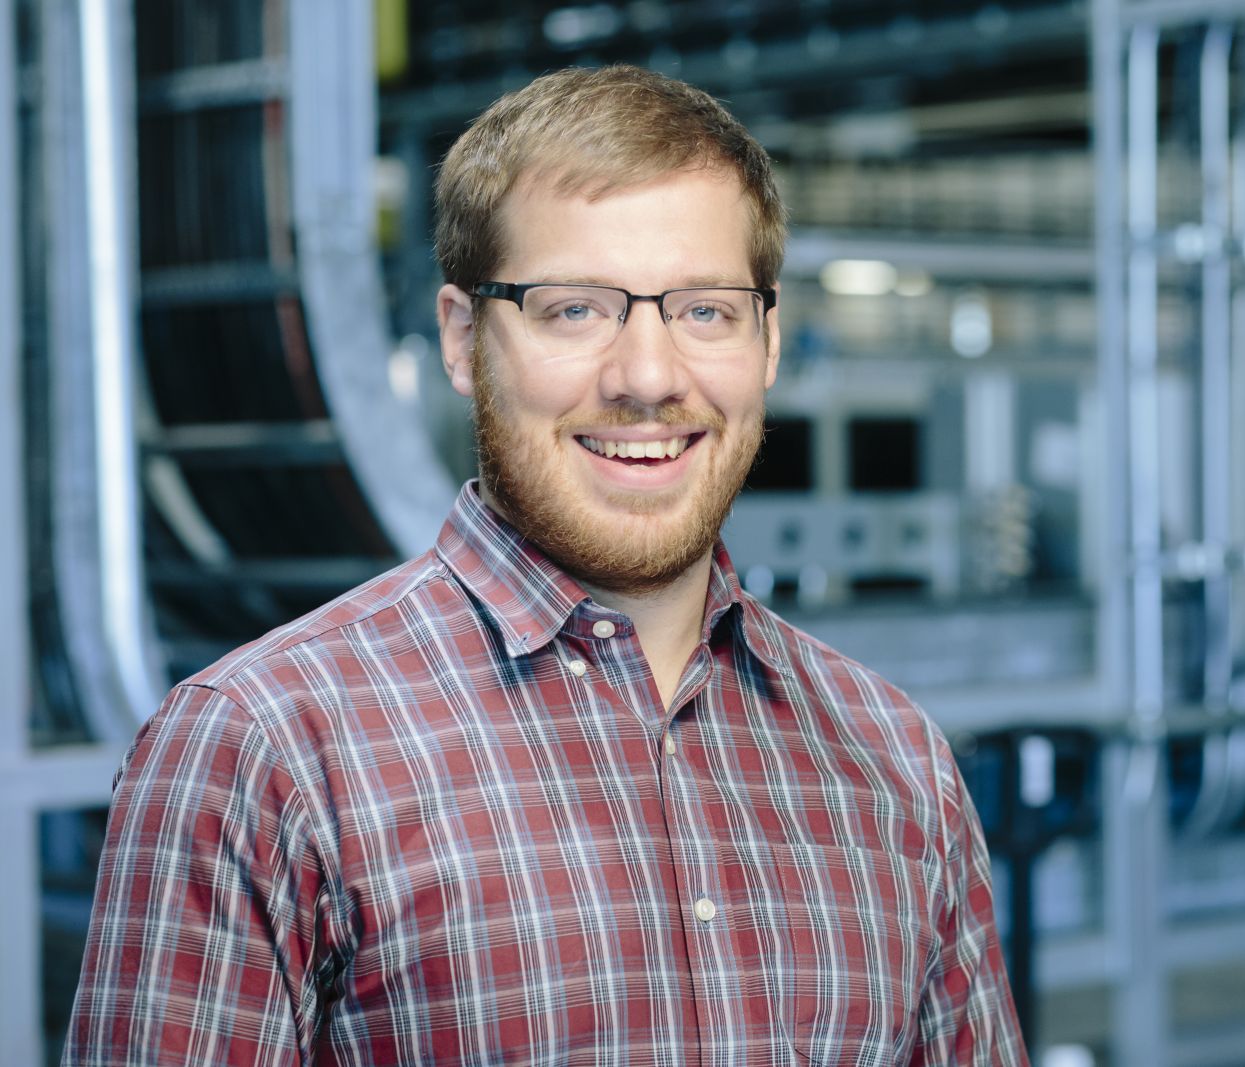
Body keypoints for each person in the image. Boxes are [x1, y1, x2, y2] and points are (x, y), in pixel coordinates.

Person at [64, 65, 1027, 1066]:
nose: (648, 376)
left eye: (704, 310)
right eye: (573, 309)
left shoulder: (894, 760)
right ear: (461, 337)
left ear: (766, 340)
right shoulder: (263, 752)